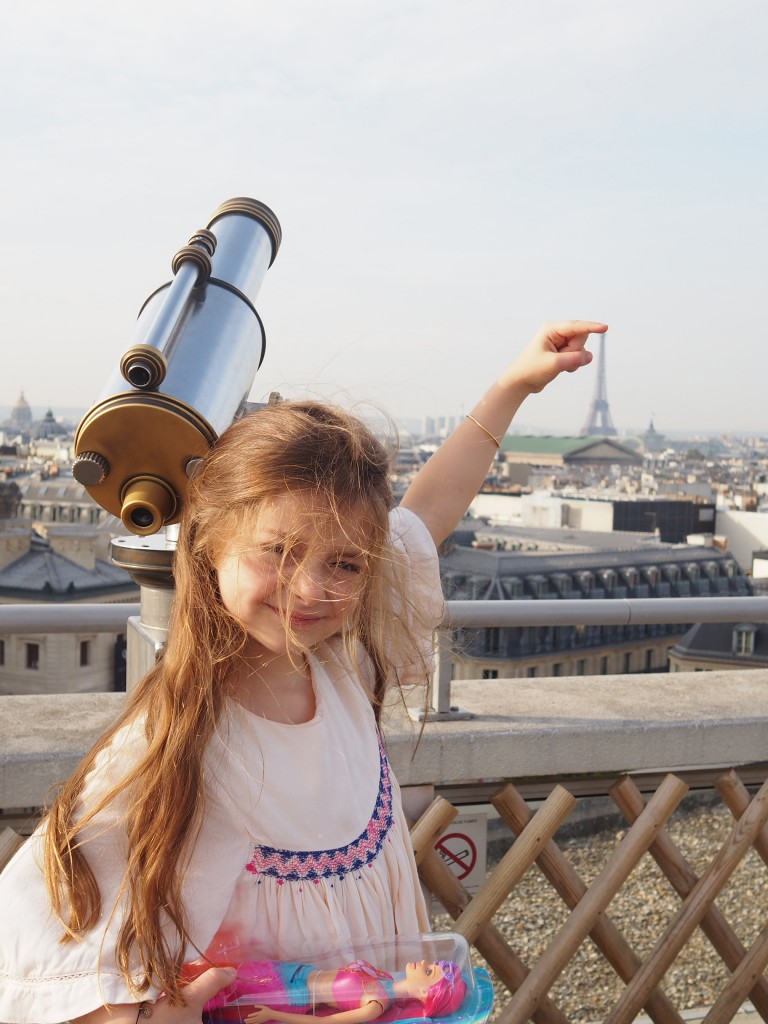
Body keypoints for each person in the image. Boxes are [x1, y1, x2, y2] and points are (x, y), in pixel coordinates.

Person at [0, 320, 607, 1024]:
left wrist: (510, 388)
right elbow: (36, 948)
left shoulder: (338, 664)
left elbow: (428, 513)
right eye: (279, 553)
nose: (310, 587)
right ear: (210, 548)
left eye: (343, 563)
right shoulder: (178, 742)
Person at [180, 954, 466, 1022]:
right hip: (289, 970)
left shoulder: (376, 1004)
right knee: (205, 973)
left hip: (287, 997)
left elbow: (324, 1022)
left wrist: (274, 1015)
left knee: (213, 1001)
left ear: (427, 993)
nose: (425, 962)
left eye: (429, 972)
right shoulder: (383, 978)